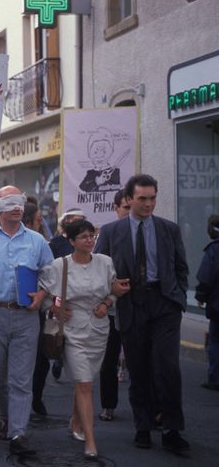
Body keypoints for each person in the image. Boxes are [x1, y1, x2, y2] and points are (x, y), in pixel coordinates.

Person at [95, 174, 190, 453]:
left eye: (152, 198)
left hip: (164, 305)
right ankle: (143, 426)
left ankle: (172, 428)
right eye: (142, 199)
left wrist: (178, 298)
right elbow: (99, 269)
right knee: (138, 370)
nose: (148, 204)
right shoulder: (112, 232)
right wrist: (111, 288)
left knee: (168, 367)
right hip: (131, 305)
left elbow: (182, 267)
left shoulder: (169, 229)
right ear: (129, 200)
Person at [0, 186, 54, 457]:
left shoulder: (37, 241)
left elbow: (50, 274)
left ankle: (18, 431)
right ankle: (3, 416)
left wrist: (42, 293)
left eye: (20, 201)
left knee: (20, 378)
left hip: (26, 316)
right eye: (10, 202)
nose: (17, 206)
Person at [38, 219, 128, 459]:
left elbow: (114, 290)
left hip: (99, 330)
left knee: (86, 381)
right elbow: (43, 294)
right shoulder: (59, 265)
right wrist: (55, 309)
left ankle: (76, 422)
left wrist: (107, 303)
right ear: (71, 241)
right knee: (85, 384)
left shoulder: (105, 262)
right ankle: (90, 441)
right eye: (83, 237)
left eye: (92, 236)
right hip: (71, 330)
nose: (89, 240)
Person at [32, 208, 85, 416]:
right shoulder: (52, 244)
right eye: (37, 220)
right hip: (42, 303)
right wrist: (50, 303)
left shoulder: (92, 248)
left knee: (45, 354)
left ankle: (36, 394)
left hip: (70, 302)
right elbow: (48, 276)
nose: (40, 223)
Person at [98, 191, 130, 422]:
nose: (130, 212)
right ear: (116, 208)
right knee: (109, 360)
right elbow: (97, 266)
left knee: (144, 360)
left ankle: (151, 408)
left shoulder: (153, 230)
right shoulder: (109, 232)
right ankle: (108, 405)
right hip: (112, 307)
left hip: (140, 307)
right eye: (125, 208)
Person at [195, 214, 219, 391]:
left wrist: (201, 296)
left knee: (215, 341)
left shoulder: (214, 250)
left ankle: (215, 378)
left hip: (217, 304)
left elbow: (205, 277)